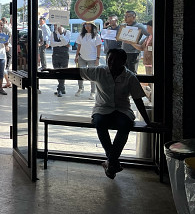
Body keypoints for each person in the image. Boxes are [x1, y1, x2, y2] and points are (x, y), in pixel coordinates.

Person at [43, 48, 158, 179]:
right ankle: (113, 161)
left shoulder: (130, 77)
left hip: (122, 109)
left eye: (116, 60)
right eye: (110, 59)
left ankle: (110, 161)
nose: (112, 62)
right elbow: (78, 71)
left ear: (123, 62)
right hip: (102, 109)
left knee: (126, 124)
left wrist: (148, 122)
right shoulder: (100, 71)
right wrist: (55, 71)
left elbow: (138, 100)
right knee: (99, 122)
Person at [75, 21, 102, 99]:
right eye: (85, 25)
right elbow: (79, 46)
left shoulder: (97, 36)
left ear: (93, 26)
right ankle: (80, 88)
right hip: (82, 57)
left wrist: (98, 58)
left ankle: (93, 92)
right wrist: (76, 56)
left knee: (92, 76)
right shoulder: (81, 35)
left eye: (89, 25)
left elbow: (99, 47)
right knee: (80, 74)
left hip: (92, 58)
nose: (87, 26)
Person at [50, 24, 70, 97]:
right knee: (56, 71)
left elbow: (66, 42)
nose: (56, 26)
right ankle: (62, 87)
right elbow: (52, 44)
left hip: (64, 54)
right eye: (55, 25)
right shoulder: (52, 33)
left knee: (63, 71)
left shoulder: (67, 32)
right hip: (55, 54)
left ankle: (60, 89)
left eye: (57, 25)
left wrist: (61, 34)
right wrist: (62, 44)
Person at [0, 19, 11, 94]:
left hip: (1, 56)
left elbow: (6, 45)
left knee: (1, 72)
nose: (0, 26)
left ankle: (0, 88)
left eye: (1, 25)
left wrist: (6, 45)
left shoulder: (3, 34)